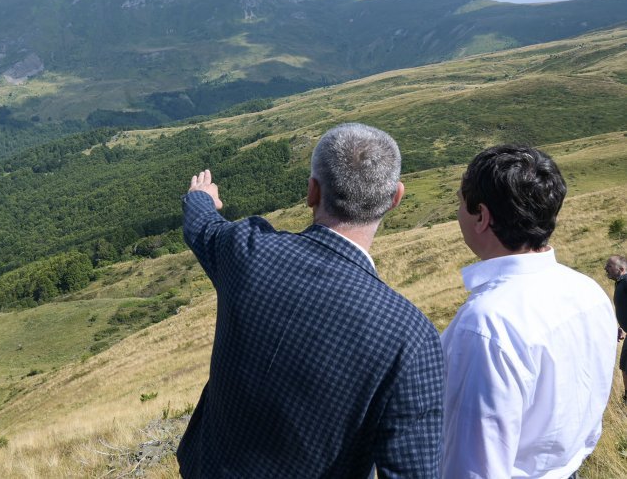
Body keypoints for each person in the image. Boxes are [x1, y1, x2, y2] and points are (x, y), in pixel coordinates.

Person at [176, 123, 444, 478]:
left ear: (312, 191)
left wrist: (201, 196)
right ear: (396, 197)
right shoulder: (410, 337)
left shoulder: (249, 252)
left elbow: (201, 225)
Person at [441, 144, 616, 478]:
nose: (458, 212)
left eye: (461, 203)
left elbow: (475, 468)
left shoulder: (486, 325)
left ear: (482, 217)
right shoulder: (588, 291)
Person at [604, 254, 627, 401]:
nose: (605, 268)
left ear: (621, 268)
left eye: (609, 266)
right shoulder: (620, 283)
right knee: (625, 366)